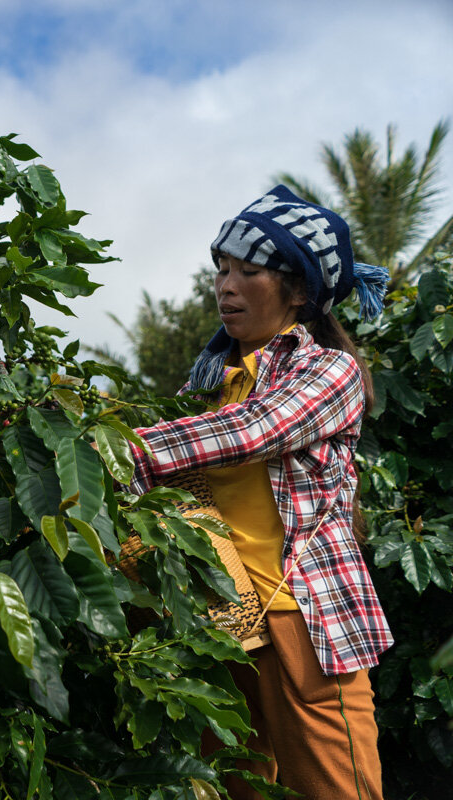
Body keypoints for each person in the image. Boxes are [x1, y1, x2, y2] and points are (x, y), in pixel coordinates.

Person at [125, 186, 393, 799]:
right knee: (232, 788)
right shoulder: (207, 387)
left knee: (335, 790)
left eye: (248, 271)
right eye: (220, 270)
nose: (226, 285)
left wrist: (124, 446)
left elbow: (254, 431)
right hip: (219, 623)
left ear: (298, 292)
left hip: (305, 620)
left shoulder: (329, 371)